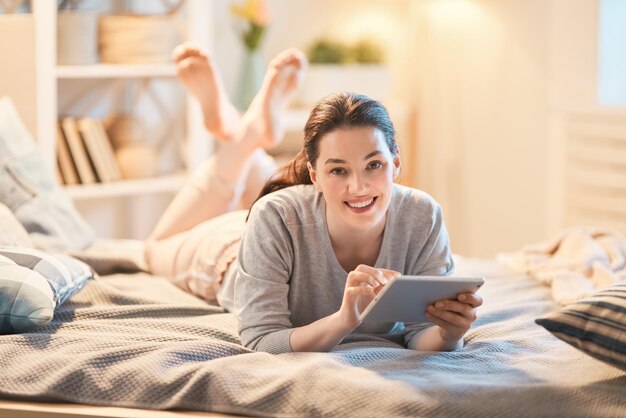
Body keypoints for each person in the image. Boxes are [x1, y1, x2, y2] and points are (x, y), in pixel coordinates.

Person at [145, 43, 483, 355]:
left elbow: (422, 332)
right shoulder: (275, 216)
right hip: (223, 253)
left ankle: (246, 134)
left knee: (258, 177)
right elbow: (261, 338)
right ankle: (244, 136)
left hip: (284, 216)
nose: (359, 186)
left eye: (374, 165)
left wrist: (450, 334)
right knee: (153, 249)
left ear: (396, 163)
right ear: (315, 175)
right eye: (338, 171)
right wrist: (343, 320)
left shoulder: (422, 216)